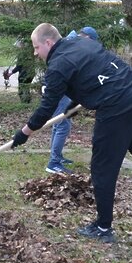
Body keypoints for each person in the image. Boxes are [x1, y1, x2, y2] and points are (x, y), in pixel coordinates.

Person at [10, 23, 132, 243]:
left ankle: (103, 227)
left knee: (102, 166)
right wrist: (74, 103)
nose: (35, 53)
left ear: (48, 42)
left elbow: (46, 108)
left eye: (36, 47)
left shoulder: (57, 65)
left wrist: (25, 132)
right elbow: (91, 70)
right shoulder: (80, 42)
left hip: (117, 104)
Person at [47, 26, 101, 173]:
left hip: (60, 89)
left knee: (59, 124)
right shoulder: (75, 46)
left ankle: (56, 155)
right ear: (87, 38)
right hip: (62, 90)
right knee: (63, 125)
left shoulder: (70, 43)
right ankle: (53, 163)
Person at [2, 39, 36, 103]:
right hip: (31, 73)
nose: (17, 47)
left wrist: (10, 73)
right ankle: (28, 103)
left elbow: (19, 66)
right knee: (27, 88)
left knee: (21, 90)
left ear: (22, 45)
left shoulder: (21, 54)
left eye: (18, 46)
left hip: (24, 74)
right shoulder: (30, 52)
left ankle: (24, 104)